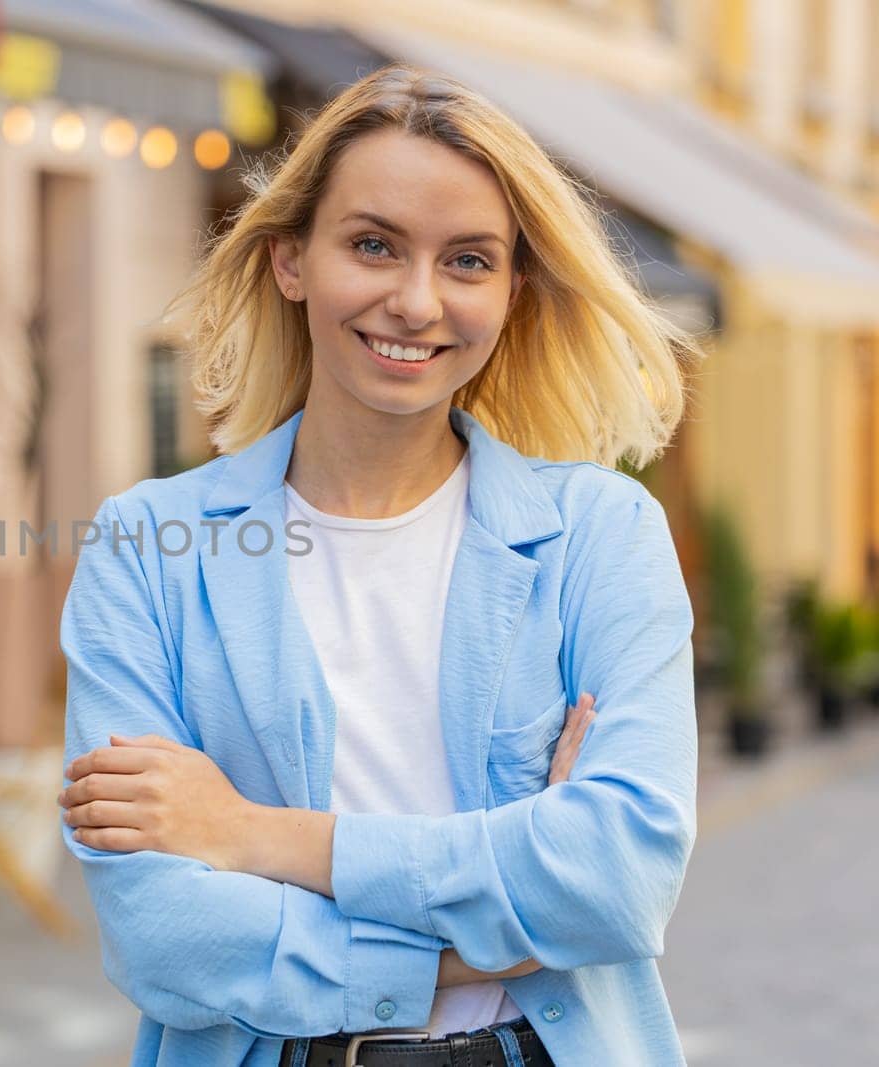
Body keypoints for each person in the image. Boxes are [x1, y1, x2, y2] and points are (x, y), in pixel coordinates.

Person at [55, 63, 702, 1067]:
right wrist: (499, 926)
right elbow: (164, 937)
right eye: (372, 245)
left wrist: (253, 834)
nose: (414, 300)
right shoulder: (147, 548)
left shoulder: (600, 535)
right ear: (289, 260)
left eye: (468, 261)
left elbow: (616, 880)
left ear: (510, 289)